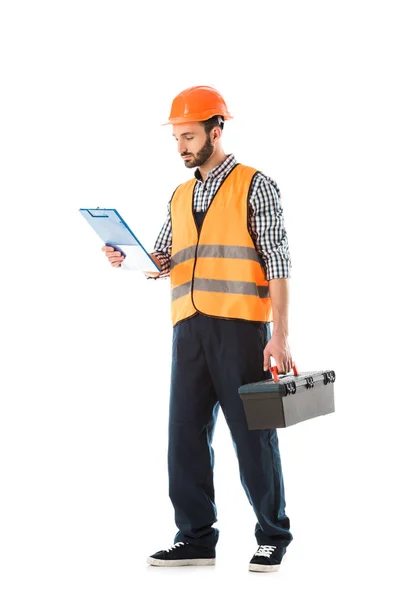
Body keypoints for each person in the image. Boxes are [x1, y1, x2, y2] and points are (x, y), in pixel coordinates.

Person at [102, 86, 294, 573]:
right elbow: (164, 259)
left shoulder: (256, 184)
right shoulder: (181, 193)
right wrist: (129, 258)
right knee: (184, 434)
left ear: (216, 129)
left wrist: (281, 334)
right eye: (176, 138)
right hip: (187, 327)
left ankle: (273, 535)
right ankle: (194, 537)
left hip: (241, 328)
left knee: (254, 435)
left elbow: (278, 262)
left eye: (189, 136)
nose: (182, 146)